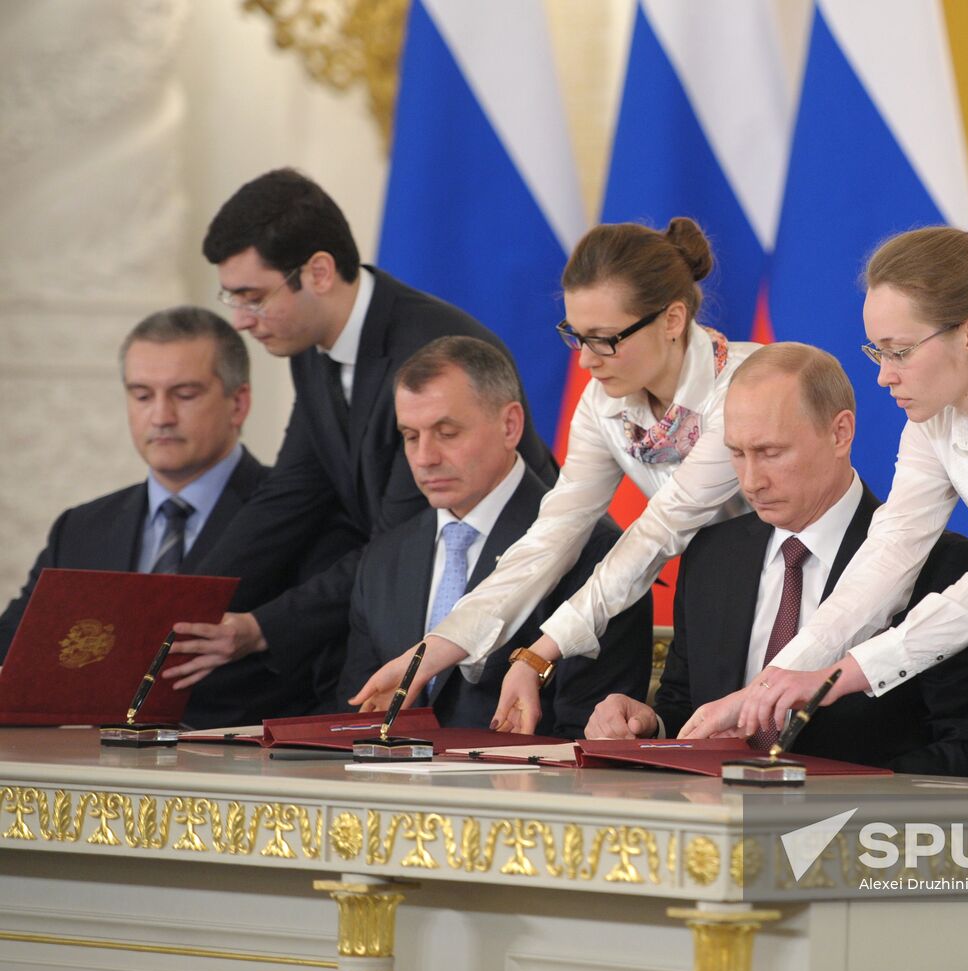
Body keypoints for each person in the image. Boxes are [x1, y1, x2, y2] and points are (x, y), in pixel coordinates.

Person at [681, 226, 968, 739]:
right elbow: (888, 558)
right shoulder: (934, 420)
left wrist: (837, 677)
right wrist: (768, 688)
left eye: (899, 352)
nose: (883, 377)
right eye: (878, 353)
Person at [163, 168, 556, 707]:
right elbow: (290, 498)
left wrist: (260, 627)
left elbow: (399, 544)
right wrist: (174, 607)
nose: (241, 322)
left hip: (497, 611)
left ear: (319, 272)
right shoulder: (311, 346)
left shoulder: (431, 351)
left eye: (252, 298)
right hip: (388, 605)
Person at [351, 218, 760, 731]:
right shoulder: (602, 403)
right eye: (576, 336)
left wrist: (538, 654)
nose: (587, 360)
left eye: (605, 339)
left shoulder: (747, 388)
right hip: (718, 597)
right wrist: (431, 652)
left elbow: (658, 532)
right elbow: (551, 537)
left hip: (797, 590)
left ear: (673, 318)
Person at [585, 344, 968, 774]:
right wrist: (649, 726)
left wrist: (812, 787)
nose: (751, 481)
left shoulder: (939, 565)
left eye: (771, 452)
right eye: (737, 454)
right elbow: (686, 713)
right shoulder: (712, 556)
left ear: (840, 433)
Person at [0, 307, 326, 725]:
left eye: (184, 394)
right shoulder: (82, 528)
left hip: (238, 774)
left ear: (238, 403)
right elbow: (17, 646)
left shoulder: (299, 515)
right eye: (142, 395)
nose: (161, 416)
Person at [337, 337, 651, 735]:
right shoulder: (384, 556)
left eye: (446, 432)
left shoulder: (595, 550)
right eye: (411, 436)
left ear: (510, 425)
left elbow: (589, 734)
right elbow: (352, 718)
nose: (424, 457)